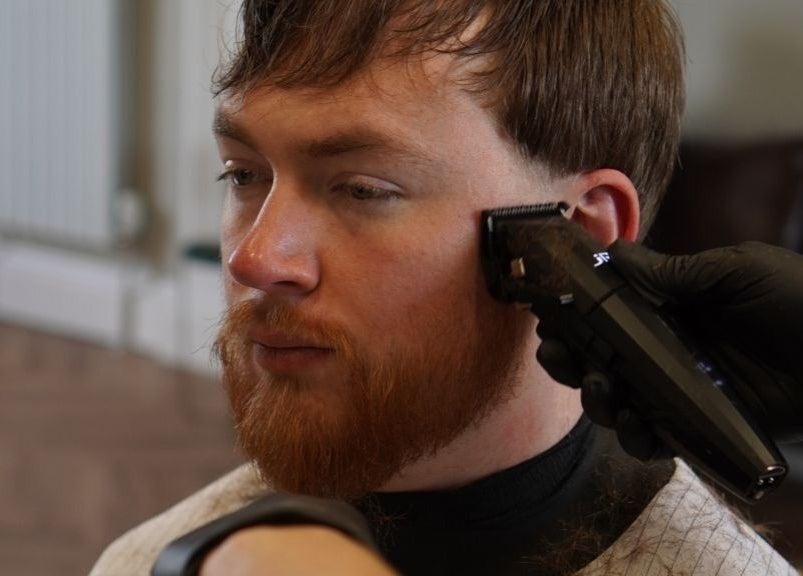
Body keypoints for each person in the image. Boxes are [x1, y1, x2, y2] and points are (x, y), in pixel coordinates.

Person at [90, 1, 800, 575]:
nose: (255, 258)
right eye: (243, 174)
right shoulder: (145, 559)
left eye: (362, 189)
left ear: (579, 232)